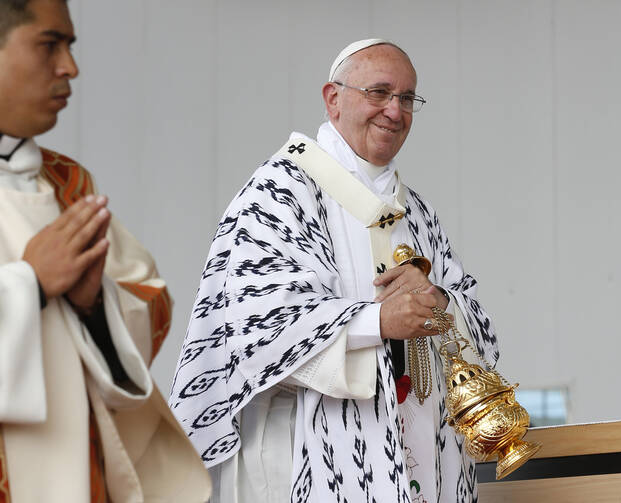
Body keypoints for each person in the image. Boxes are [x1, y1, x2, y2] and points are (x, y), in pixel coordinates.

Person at [170, 38, 498, 503]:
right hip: (302, 450)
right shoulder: (280, 193)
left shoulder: (415, 212)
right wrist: (378, 322)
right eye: (379, 92)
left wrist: (439, 302)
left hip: (421, 445)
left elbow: (477, 322)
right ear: (333, 98)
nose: (394, 111)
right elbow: (256, 330)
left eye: (407, 99)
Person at [0, 0, 210, 501]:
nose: (70, 67)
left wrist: (96, 306)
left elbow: (150, 300)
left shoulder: (66, 183)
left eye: (70, 46)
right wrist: (29, 285)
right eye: (50, 44)